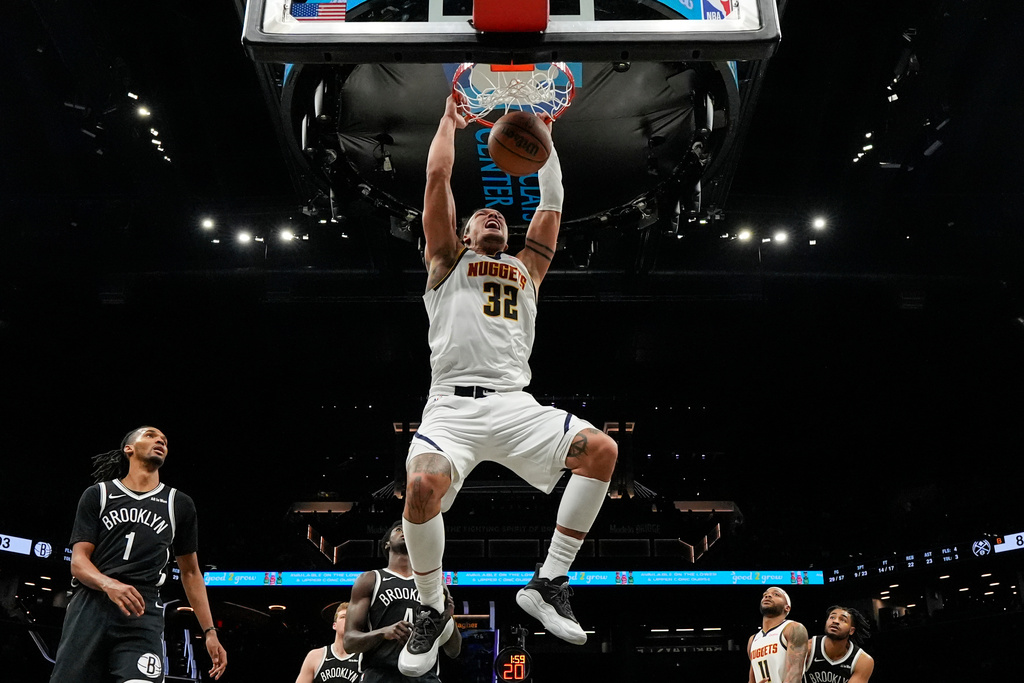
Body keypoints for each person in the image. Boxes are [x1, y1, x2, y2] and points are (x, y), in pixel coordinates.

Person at [396, 96, 618, 677]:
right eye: (481, 216)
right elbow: (439, 176)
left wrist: (543, 140)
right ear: (464, 233)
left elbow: (552, 201)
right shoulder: (445, 261)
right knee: (420, 486)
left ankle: (548, 582)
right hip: (451, 407)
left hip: (517, 405)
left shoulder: (529, 267)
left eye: (499, 215)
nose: (493, 215)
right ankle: (430, 606)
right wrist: (446, 121)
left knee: (601, 450)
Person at [50, 426, 227, 682]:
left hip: (142, 609)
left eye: (164, 440)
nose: (160, 441)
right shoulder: (98, 495)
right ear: (128, 449)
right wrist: (109, 584)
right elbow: (78, 562)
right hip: (91, 605)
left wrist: (210, 631)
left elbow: (190, 572)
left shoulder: (179, 503)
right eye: (150, 435)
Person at [344, 521, 461, 682]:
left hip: (423, 675)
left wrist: (448, 619)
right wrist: (383, 633)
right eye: (399, 529)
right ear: (386, 543)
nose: (405, 531)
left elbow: (454, 650)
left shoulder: (436, 584)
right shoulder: (370, 579)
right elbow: (349, 642)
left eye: (410, 530)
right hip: (380, 674)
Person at [747, 586, 809, 683]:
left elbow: (794, 676)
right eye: (765, 594)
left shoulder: (793, 628)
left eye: (776, 594)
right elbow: (752, 680)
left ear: (787, 607)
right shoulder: (753, 639)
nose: (768, 596)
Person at [803, 605, 875, 683]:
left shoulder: (862, 660)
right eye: (832, 617)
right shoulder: (807, 648)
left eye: (843, 620)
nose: (835, 621)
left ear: (851, 631)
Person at [295, 601, 360, 683]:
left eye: (351, 617)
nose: (347, 620)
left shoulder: (364, 658)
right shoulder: (315, 656)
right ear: (334, 625)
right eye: (343, 617)